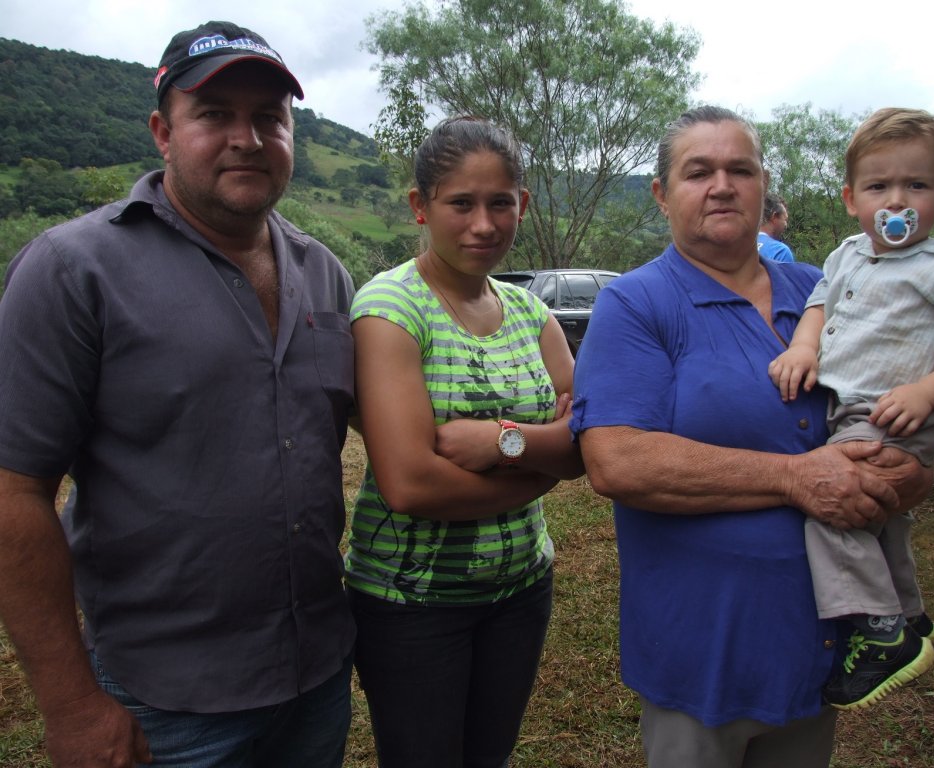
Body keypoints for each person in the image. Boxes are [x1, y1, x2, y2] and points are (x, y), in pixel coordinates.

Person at [0, 21, 357, 768]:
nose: (247, 138)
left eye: (269, 117)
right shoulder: (73, 270)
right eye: (215, 114)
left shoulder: (325, 273)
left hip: (317, 676)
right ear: (163, 131)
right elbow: (14, 492)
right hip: (166, 702)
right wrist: (69, 705)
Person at [570, 105, 932, 768]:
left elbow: (894, 394)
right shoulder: (638, 304)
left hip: (818, 645)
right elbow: (617, 460)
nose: (722, 185)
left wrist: (910, 473)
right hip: (702, 646)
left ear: (765, 185)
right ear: (661, 193)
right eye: (698, 171)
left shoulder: (823, 288)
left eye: (741, 169)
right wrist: (795, 477)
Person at [345, 116, 584, 768]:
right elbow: (410, 483)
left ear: (522, 205)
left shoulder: (533, 314)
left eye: (500, 203)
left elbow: (587, 441)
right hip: (414, 605)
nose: (483, 224)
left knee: (490, 756)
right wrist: (543, 461)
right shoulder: (390, 310)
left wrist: (504, 442)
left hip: (521, 588)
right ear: (421, 207)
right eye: (461, 203)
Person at [768, 109, 934, 711]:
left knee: (834, 507)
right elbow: (819, 308)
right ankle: (909, 614)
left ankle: (880, 631)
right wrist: (803, 346)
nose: (896, 201)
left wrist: (928, 393)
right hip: (845, 404)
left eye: (918, 186)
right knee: (881, 517)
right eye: (878, 187)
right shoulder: (847, 254)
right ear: (852, 198)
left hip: (892, 414)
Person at [757, 191, 796, 262]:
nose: (786, 225)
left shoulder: (739, 246)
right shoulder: (780, 251)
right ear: (774, 216)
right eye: (785, 220)